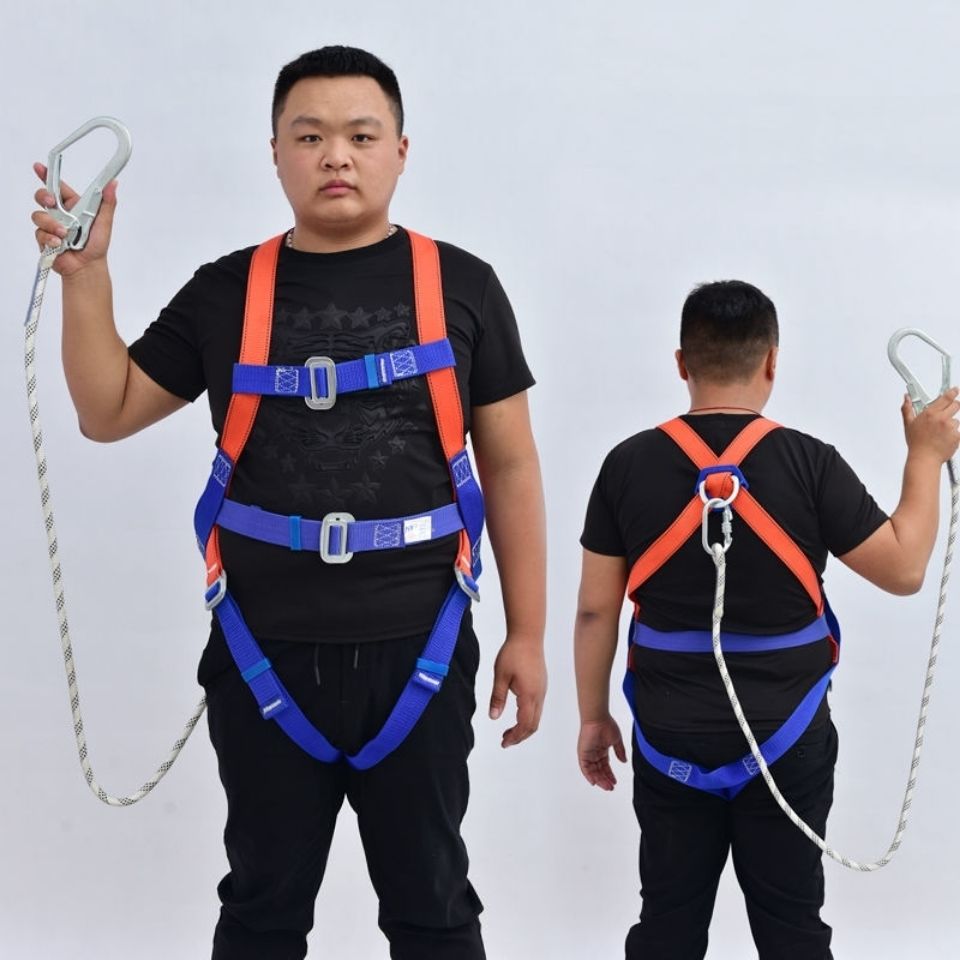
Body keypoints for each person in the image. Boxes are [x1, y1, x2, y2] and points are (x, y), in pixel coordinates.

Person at [32, 46, 546, 960]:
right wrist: (86, 275)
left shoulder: (463, 287)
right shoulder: (224, 293)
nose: (335, 156)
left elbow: (510, 465)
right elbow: (107, 410)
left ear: (400, 151)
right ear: (274, 153)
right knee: (262, 910)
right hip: (261, 652)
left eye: (361, 136)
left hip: (420, 650)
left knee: (432, 904)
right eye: (309, 137)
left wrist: (529, 634)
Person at [573, 280, 959, 959]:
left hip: (668, 738)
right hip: (789, 737)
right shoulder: (811, 463)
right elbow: (903, 570)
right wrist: (924, 457)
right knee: (791, 928)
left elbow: (595, 609)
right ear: (772, 361)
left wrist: (593, 715)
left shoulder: (626, 465)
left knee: (667, 923)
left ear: (681, 362)